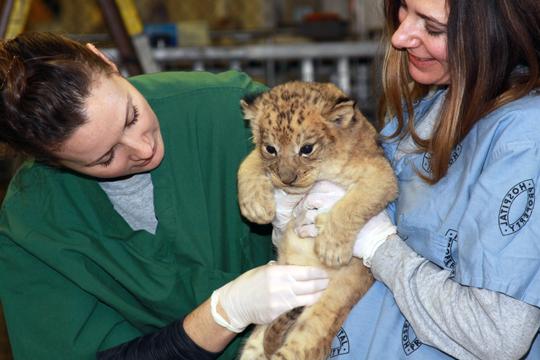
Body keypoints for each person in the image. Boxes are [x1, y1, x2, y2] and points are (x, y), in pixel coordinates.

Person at [0, 32, 330, 359]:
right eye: (105, 158)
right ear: (49, 160)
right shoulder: (31, 225)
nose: (143, 149)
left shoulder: (228, 112)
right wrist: (223, 314)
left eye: (131, 117)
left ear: (104, 59)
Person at [275, 0, 540, 358]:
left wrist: (378, 245)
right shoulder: (436, 105)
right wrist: (295, 217)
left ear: (494, 35)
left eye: (432, 28)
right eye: (403, 9)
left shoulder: (524, 139)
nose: (400, 37)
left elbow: (497, 336)